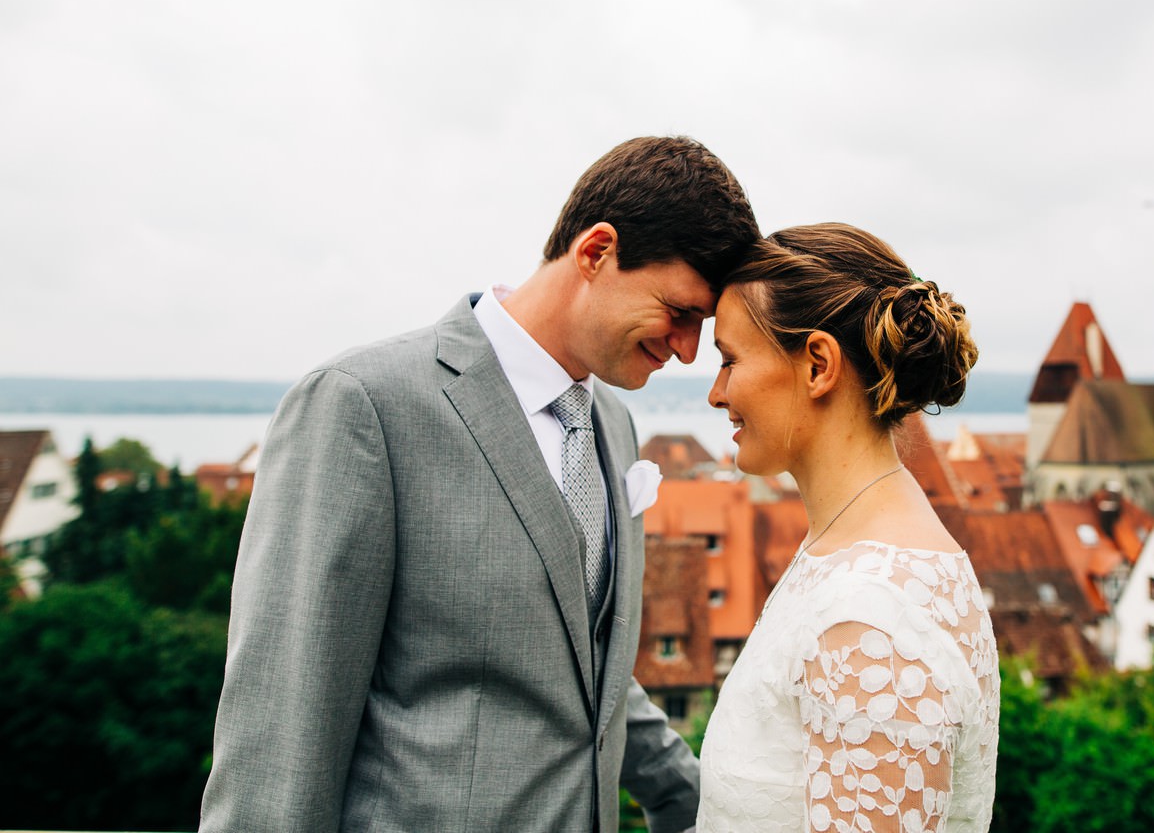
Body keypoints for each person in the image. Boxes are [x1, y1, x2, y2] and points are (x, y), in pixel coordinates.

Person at [200, 136, 759, 833]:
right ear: (596, 252)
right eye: (680, 313)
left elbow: (584, 674)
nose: (685, 350)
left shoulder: (613, 423)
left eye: (701, 328)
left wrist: (705, 804)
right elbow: (281, 726)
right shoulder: (364, 406)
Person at [697, 223, 999, 832]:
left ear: (817, 365)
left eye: (730, 360)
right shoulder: (846, 548)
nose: (715, 392)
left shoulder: (871, 620)